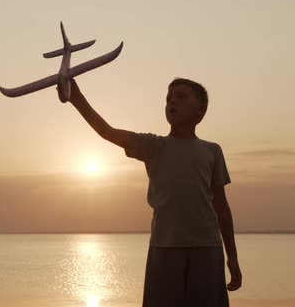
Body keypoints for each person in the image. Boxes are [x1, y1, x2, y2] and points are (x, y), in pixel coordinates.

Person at [60, 78, 242, 306]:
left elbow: (222, 207)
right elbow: (107, 132)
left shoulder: (212, 151)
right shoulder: (153, 146)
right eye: (168, 98)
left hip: (207, 248)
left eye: (181, 96)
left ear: (200, 110)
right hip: (164, 247)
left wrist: (232, 258)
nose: (172, 101)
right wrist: (76, 99)